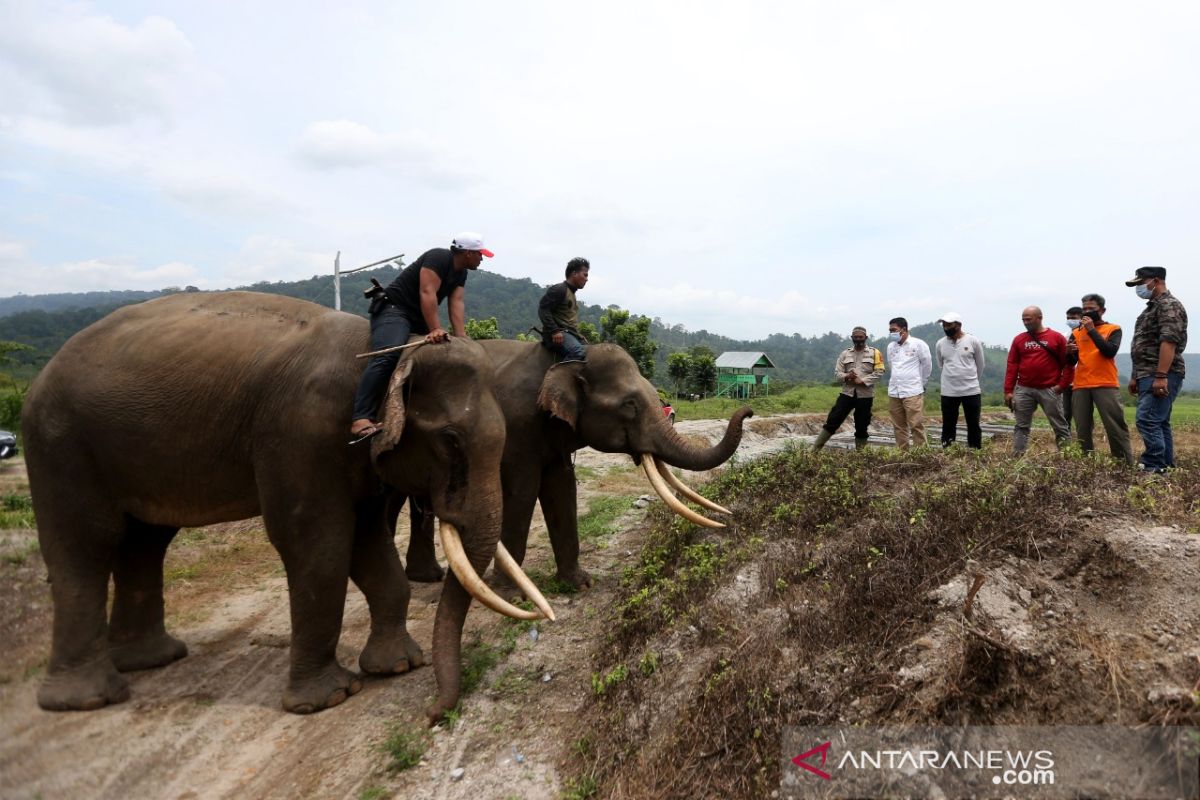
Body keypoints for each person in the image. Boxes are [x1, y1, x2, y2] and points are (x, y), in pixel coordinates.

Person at [349, 233, 493, 442]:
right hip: (395, 310)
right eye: (480, 255)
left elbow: (456, 303)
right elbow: (427, 292)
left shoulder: (461, 272)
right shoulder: (438, 258)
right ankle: (361, 418)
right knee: (388, 356)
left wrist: (462, 337)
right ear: (468, 253)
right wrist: (434, 328)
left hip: (418, 317)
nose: (482, 259)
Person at [1125, 267, 1188, 473]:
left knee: (1147, 419)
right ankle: (1166, 465)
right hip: (1147, 373)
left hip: (1161, 373)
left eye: (1141, 283)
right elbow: (1142, 345)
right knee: (1160, 422)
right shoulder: (1150, 309)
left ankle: (1153, 465)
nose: (1139, 288)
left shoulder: (1169, 305)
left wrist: (1161, 376)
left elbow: (1168, 342)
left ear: (1156, 280)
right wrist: (1135, 376)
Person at [1066, 293, 1133, 465]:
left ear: (1102, 310)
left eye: (1091, 309)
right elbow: (1072, 361)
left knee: (1115, 427)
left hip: (1105, 383)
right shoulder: (1076, 332)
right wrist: (1069, 352)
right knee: (1082, 428)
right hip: (1081, 384)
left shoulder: (1113, 329)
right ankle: (1086, 464)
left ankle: (1123, 464)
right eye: (1085, 309)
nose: (1087, 312)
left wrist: (1091, 330)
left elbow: (1109, 351)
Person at [1003, 306, 1072, 454]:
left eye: (1029, 319)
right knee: (1021, 425)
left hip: (1050, 388)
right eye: (1023, 320)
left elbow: (1068, 363)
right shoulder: (1019, 339)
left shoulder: (1056, 338)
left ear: (1039, 318)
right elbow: (1012, 365)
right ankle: (1017, 456)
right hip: (1024, 388)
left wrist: (1061, 386)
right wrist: (1008, 391)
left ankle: (1068, 458)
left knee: (1059, 426)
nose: (1025, 322)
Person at [813, 326, 885, 451]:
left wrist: (863, 381)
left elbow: (880, 372)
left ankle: (860, 455)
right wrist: (847, 376)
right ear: (852, 338)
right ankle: (814, 451)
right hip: (847, 394)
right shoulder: (845, 354)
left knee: (862, 426)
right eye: (855, 337)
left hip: (865, 396)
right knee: (832, 421)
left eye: (860, 337)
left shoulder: (875, 353)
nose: (858, 339)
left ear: (866, 338)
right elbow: (837, 374)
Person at [935, 312, 986, 448]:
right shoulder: (940, 344)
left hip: (971, 390)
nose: (946, 327)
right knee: (948, 424)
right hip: (949, 392)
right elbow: (941, 365)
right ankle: (948, 451)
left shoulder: (972, 341)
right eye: (944, 325)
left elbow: (980, 365)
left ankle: (975, 452)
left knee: (973, 424)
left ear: (958, 325)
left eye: (949, 325)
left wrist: (971, 379)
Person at [885, 317, 932, 450]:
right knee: (899, 426)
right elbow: (891, 366)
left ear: (904, 330)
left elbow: (927, 366)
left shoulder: (918, 344)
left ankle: (921, 455)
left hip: (913, 391)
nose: (891, 333)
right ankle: (903, 454)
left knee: (916, 425)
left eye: (894, 330)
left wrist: (921, 384)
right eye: (890, 330)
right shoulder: (891, 347)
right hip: (895, 391)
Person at [538, 257, 590, 362]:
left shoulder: (572, 293)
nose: (586, 279)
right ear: (574, 273)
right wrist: (554, 331)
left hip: (570, 334)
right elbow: (543, 309)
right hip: (556, 335)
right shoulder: (560, 289)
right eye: (585, 275)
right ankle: (557, 378)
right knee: (577, 352)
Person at [1063, 307, 1084, 431]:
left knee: (1082, 414)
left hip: (1082, 381)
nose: (1070, 320)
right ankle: (1066, 440)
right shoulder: (1063, 337)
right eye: (1068, 318)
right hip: (1066, 380)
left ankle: (1084, 441)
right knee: (1065, 413)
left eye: (1073, 318)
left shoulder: (1088, 335)